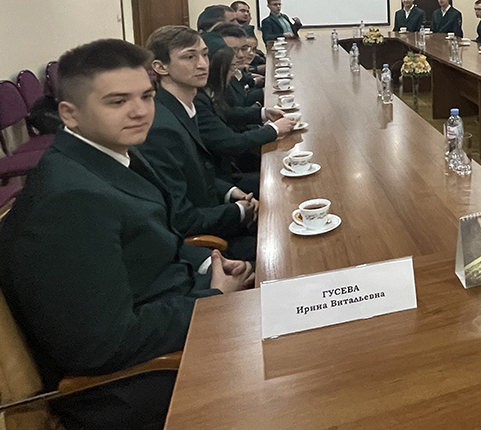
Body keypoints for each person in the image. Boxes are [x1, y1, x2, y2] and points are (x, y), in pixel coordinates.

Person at [0, 39, 253, 430]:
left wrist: (209, 262)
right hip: (132, 385)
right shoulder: (70, 200)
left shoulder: (105, 154)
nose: (140, 111)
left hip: (172, 309)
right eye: (117, 101)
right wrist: (212, 301)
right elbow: (103, 344)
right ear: (70, 114)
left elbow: (154, 239)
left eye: (146, 96)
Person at [138, 26, 259, 261]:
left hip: (218, 212)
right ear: (160, 67)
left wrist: (231, 192)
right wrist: (239, 211)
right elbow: (181, 218)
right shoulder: (161, 127)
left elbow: (198, 174)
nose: (203, 64)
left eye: (204, 54)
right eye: (189, 57)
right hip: (206, 247)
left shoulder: (185, 106)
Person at [198, 47, 294, 195]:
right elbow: (231, 142)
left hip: (228, 169)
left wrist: (263, 113)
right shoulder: (198, 99)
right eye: (231, 68)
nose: (233, 73)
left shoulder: (205, 93)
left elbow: (227, 113)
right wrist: (274, 129)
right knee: (281, 180)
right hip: (221, 179)